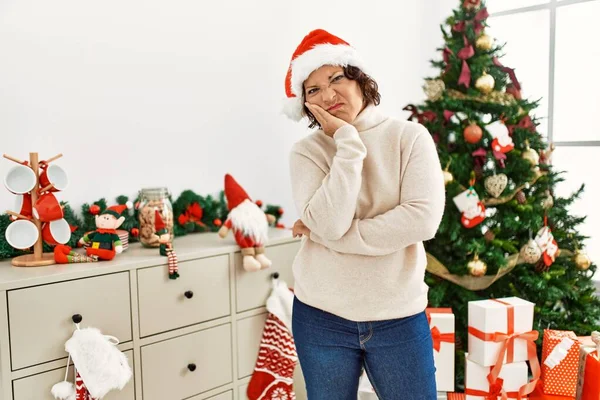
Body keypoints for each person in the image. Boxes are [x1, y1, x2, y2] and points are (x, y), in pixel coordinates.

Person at [282, 29, 446, 399]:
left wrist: (330, 238)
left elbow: (422, 219)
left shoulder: (410, 138)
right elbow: (330, 222)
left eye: (335, 78)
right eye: (313, 90)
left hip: (398, 315)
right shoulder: (306, 153)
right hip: (320, 315)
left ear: (358, 77)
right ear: (305, 104)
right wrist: (347, 143)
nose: (327, 94)